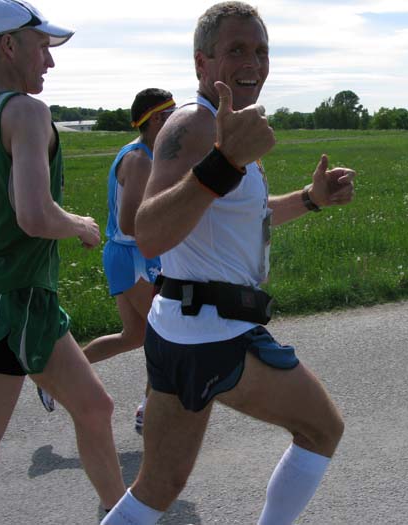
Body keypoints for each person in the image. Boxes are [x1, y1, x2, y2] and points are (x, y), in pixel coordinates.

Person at [102, 2, 355, 524]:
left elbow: (246, 216)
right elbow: (147, 232)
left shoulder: (227, 129)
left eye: (261, 51)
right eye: (236, 50)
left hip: (180, 327)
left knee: (158, 487)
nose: (253, 63)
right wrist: (224, 162)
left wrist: (310, 198)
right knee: (322, 429)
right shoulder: (194, 125)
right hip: (215, 334)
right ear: (202, 63)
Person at [0, 0, 124, 513]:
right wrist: (79, 224)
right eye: (42, 48)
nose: (49, 62)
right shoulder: (28, 112)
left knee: (95, 408)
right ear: (8, 45)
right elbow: (33, 215)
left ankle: (124, 515)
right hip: (4, 307)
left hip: (21, 299)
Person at [38, 88, 175, 434]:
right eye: (171, 115)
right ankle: (149, 411)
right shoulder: (141, 159)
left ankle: (56, 376)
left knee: (135, 335)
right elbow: (131, 222)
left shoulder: (139, 152)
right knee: (168, 334)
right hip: (134, 256)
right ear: (157, 119)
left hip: (127, 254)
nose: (177, 122)